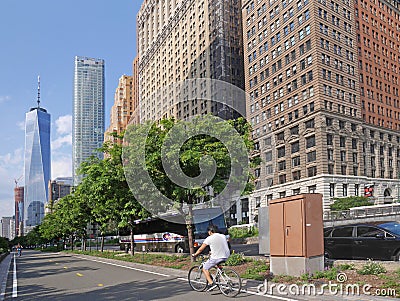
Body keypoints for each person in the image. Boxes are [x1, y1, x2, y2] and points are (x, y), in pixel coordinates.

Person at [192, 225, 230, 291]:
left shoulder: (209, 238)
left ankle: (211, 283)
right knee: (216, 264)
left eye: (208, 231)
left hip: (217, 257)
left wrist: (195, 254)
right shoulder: (223, 236)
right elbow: (220, 245)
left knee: (205, 268)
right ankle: (218, 279)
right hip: (226, 255)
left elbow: (200, 249)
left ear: (210, 231)